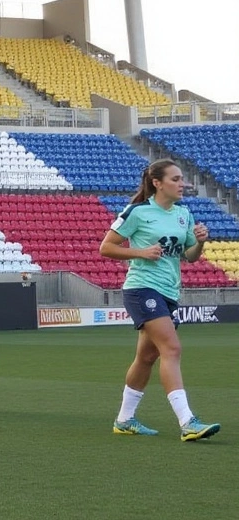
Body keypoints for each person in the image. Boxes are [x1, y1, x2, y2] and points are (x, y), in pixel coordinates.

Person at [100, 159, 220, 441]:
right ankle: (187, 421)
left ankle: (124, 420)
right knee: (172, 348)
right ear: (158, 182)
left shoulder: (183, 214)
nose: (183, 184)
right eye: (176, 179)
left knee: (147, 357)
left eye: (182, 179)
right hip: (142, 288)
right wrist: (141, 253)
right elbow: (106, 247)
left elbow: (188, 257)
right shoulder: (138, 212)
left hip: (168, 291)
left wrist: (200, 241)